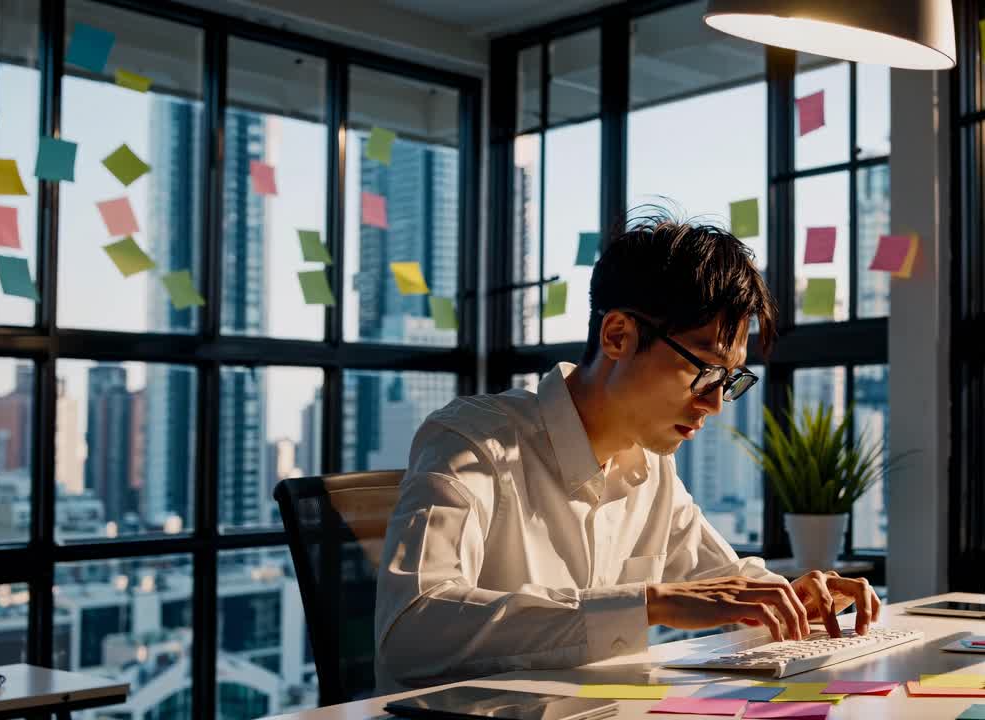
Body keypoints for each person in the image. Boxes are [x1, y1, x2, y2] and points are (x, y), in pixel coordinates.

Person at [374, 211, 882, 691]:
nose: (715, 403)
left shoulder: (653, 467)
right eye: (704, 370)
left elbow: (719, 583)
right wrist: (644, 605)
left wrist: (794, 597)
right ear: (618, 335)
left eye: (731, 380)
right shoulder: (474, 443)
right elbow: (410, 631)